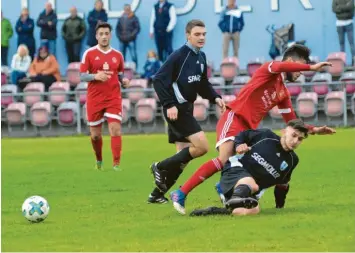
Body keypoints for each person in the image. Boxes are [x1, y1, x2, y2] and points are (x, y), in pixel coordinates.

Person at [170, 44, 336, 214]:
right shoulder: (269, 70)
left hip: (248, 130)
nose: (300, 71)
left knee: (242, 164)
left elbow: (292, 122)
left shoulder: (283, 93)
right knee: (224, 159)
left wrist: (313, 129)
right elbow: (279, 66)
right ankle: (180, 193)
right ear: (290, 61)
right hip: (235, 117)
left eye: (303, 67)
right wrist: (311, 67)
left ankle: (223, 189)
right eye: (299, 65)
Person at [147, 20, 226, 204]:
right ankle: (159, 166)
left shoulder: (201, 57)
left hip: (185, 109)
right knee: (202, 147)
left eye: (204, 34)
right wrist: (169, 104)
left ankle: (156, 194)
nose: (201, 38)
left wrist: (215, 97)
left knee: (181, 160)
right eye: (197, 34)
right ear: (188, 35)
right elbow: (158, 79)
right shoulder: (178, 56)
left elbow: (203, 84)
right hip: (176, 110)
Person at [190, 119, 308, 216]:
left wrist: (279, 206)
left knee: (253, 209)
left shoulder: (292, 160)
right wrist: (239, 145)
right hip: (234, 171)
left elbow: (283, 184)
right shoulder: (266, 136)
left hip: (249, 192)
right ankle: (234, 198)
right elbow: (243, 135)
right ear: (284, 132)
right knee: (252, 183)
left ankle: (215, 211)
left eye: (300, 139)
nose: (295, 141)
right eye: (294, 135)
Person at [80, 22, 130, 171]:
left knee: (115, 128)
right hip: (95, 98)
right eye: (101, 34)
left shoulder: (118, 55)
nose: (104, 37)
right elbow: (82, 76)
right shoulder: (89, 53)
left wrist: (124, 81)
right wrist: (96, 76)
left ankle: (116, 164)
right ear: (96, 36)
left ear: (110, 35)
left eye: (106, 34)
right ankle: (99, 160)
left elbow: (120, 74)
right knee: (95, 135)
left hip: (113, 97)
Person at [116, 4, 140, 68]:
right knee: (121, 56)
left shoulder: (134, 18)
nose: (126, 10)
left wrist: (131, 36)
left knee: (133, 55)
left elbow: (137, 28)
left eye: (128, 9)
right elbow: (117, 29)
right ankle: (122, 70)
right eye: (125, 9)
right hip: (122, 40)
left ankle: (135, 70)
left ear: (130, 9)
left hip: (131, 40)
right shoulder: (121, 18)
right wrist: (120, 36)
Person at [332, 0, 355, 64]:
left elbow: (351, 8)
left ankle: (354, 61)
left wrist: (339, 7)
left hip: (349, 23)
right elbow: (334, 9)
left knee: (351, 43)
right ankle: (342, 62)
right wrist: (346, 7)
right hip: (339, 24)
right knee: (342, 44)